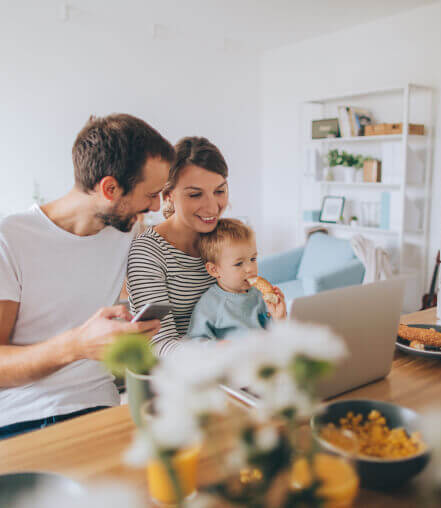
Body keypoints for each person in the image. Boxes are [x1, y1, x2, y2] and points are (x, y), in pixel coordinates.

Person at [0, 114, 173, 439]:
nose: (156, 206)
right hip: (25, 419)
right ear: (110, 188)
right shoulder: (10, 237)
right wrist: (78, 345)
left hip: (102, 411)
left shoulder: (127, 232)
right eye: (151, 194)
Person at [127, 136, 229, 355]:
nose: (212, 207)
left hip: (233, 366)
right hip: (181, 376)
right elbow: (160, 345)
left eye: (219, 191)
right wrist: (222, 351)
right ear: (168, 195)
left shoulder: (226, 239)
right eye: (195, 194)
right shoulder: (148, 253)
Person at [187, 218, 286, 340]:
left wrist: (279, 318)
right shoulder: (210, 304)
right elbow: (195, 342)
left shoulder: (260, 295)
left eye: (253, 259)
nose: (250, 268)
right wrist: (218, 347)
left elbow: (277, 336)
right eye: (239, 264)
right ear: (214, 270)